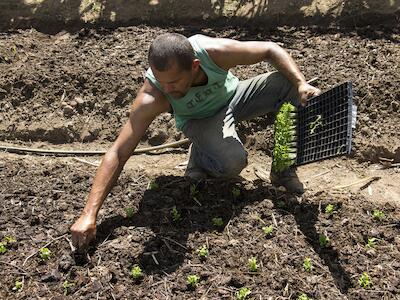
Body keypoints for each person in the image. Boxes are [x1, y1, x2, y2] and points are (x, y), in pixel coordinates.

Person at [70, 33, 321, 250]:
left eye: (174, 81)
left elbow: (270, 49)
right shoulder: (153, 95)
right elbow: (118, 152)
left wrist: (300, 84)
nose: (167, 89)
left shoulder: (212, 52)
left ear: (194, 66)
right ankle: (200, 155)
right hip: (200, 120)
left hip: (235, 97)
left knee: (286, 84)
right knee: (233, 162)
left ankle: (283, 171)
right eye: (162, 81)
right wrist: (88, 214)